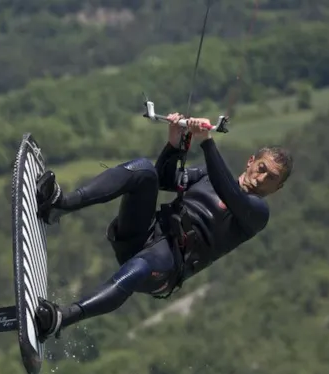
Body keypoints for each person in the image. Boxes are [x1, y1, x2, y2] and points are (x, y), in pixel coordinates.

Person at [32, 113, 293, 341]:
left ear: (277, 188)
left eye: (271, 178)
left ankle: (61, 318)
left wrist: (207, 142)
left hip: (167, 266)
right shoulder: (206, 174)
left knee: (138, 267)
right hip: (144, 235)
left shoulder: (257, 212)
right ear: (250, 161)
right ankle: (60, 205)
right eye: (261, 168)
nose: (260, 179)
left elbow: (230, 193)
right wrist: (173, 144)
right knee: (144, 171)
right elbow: (165, 180)